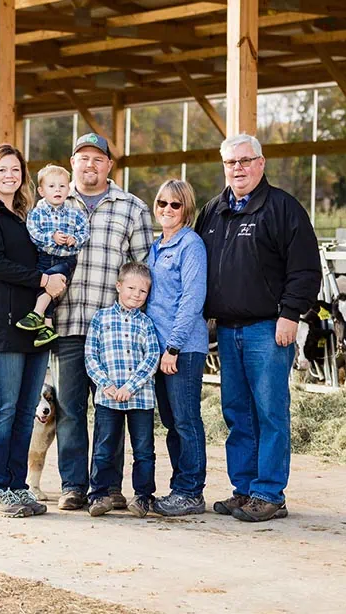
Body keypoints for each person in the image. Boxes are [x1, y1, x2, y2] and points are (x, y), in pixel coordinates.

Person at [194, 134, 321, 522]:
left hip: (268, 329)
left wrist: (290, 314)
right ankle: (245, 488)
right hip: (228, 331)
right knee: (237, 412)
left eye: (246, 161)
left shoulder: (282, 209)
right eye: (231, 163)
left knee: (269, 411)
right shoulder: (213, 212)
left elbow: (305, 268)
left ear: (261, 163)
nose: (239, 168)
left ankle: (269, 493)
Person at [52, 133, 154, 512]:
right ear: (72, 163)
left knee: (110, 410)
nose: (90, 165)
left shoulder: (132, 208)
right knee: (70, 408)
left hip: (115, 332)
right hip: (66, 323)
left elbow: (144, 270)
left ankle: (108, 487)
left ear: (109, 165)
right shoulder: (54, 204)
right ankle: (73, 485)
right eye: (83, 158)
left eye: (98, 159)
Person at [0, 143, 67, 518]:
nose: (10, 175)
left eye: (15, 170)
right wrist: (44, 278)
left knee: (26, 411)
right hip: (2, 324)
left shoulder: (29, 215)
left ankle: (16, 485)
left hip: (34, 325)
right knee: (4, 408)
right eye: (1, 170)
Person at [145, 179, 210, 517]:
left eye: (175, 204)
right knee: (171, 420)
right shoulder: (156, 246)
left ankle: (191, 491)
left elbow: (192, 299)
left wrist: (173, 347)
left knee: (185, 419)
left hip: (181, 348)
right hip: (157, 350)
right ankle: (178, 487)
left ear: (186, 209)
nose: (167, 210)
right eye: (161, 203)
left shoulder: (191, 245)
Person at [84, 262, 160, 518]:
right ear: (119, 286)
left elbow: (152, 357)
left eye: (143, 291)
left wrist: (130, 386)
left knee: (143, 451)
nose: (136, 295)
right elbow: (90, 356)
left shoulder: (146, 323)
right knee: (104, 448)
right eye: (131, 288)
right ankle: (99, 494)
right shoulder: (101, 318)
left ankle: (143, 496)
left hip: (140, 397)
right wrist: (105, 384)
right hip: (108, 397)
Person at [18, 164, 90, 347]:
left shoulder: (76, 214)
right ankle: (48, 327)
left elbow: (85, 232)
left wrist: (75, 239)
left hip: (66, 260)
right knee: (44, 288)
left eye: (62, 186)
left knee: (50, 282)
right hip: (44, 257)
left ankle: (36, 314)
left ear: (69, 189)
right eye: (52, 186)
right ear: (42, 191)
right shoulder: (36, 213)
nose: (57, 189)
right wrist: (51, 237)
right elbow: (33, 233)